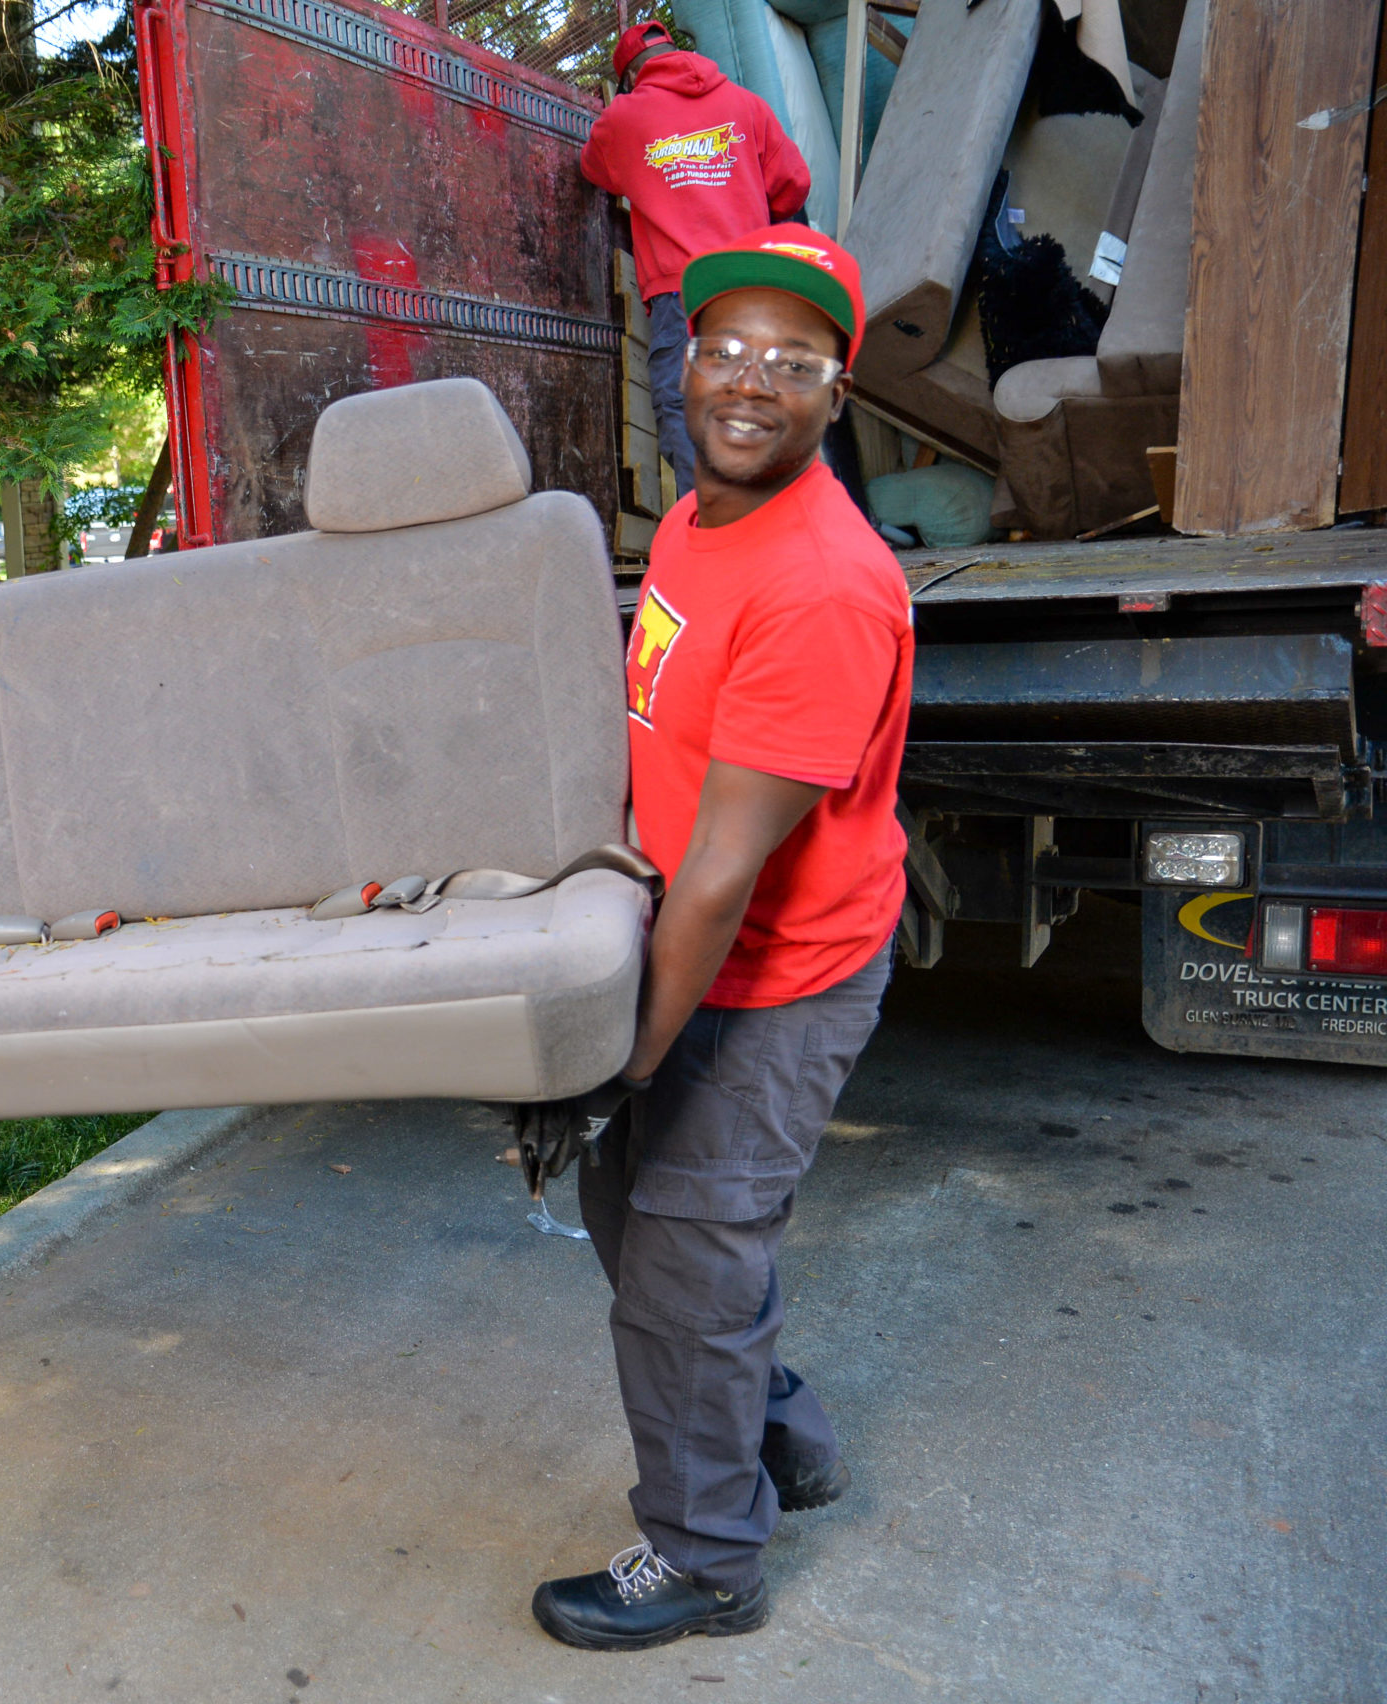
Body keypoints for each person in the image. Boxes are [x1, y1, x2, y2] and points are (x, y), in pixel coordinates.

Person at [530, 228, 911, 1652]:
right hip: (708, 937)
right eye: (728, 350)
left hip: (779, 970)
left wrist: (620, 1061)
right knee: (645, 1225)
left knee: (683, 1251)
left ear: (837, 394)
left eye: (793, 364)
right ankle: (784, 1438)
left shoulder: (820, 583)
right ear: (685, 367)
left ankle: (705, 1559)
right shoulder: (700, 519)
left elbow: (722, 884)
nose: (751, 384)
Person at [580, 21, 813, 502]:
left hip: (684, 293)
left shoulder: (622, 119)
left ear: (629, 77)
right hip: (752, 287)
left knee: (690, 415)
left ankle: (715, 548)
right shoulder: (745, 104)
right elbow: (793, 184)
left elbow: (594, 169)